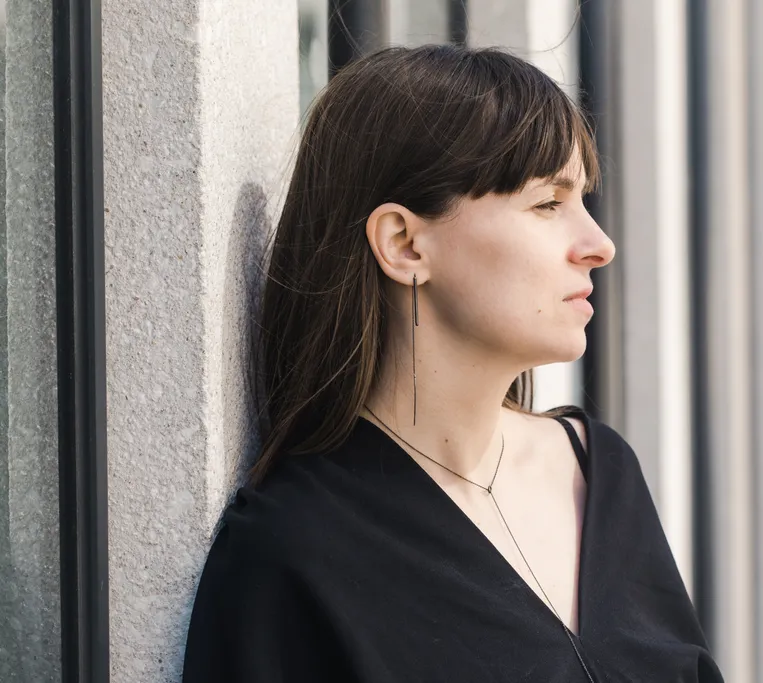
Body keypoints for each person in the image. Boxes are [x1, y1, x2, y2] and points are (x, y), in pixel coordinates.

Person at [182, 44, 724, 683]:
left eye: (583, 200)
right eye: (548, 203)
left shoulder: (599, 471)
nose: (598, 245)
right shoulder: (294, 554)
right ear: (405, 244)